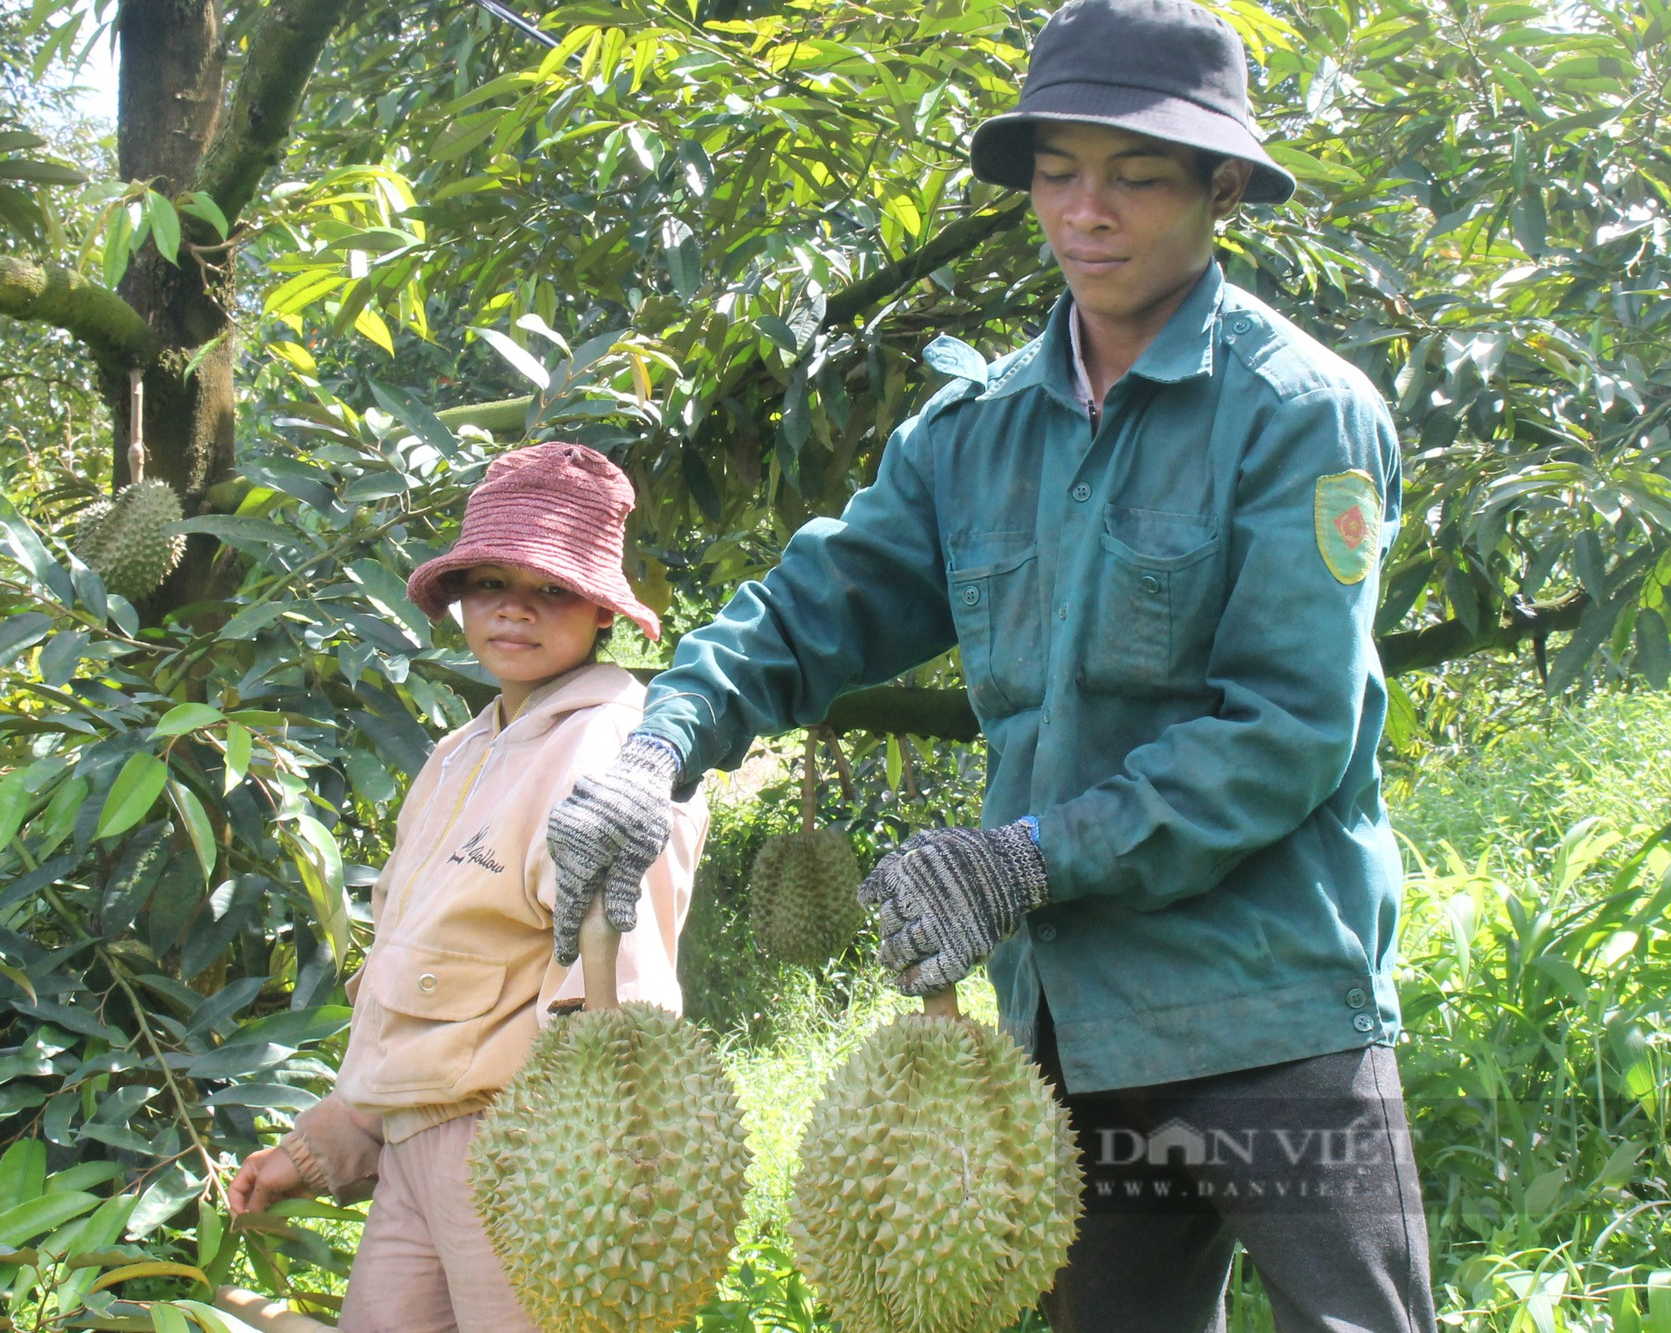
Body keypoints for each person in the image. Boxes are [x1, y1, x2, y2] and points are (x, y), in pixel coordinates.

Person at [543, 1, 1432, 1329]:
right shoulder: (975, 432)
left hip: (1270, 1011)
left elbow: (1288, 729)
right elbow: (810, 611)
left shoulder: (1302, 415)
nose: (1088, 211)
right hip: (1068, 1024)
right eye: (1059, 173)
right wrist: (658, 744)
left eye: (1135, 175)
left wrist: (1023, 857)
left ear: (1222, 186)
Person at [227, 442, 708, 1333]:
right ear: (458, 599)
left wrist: (608, 1162)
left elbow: (616, 983)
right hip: (414, 1149)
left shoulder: (617, 749)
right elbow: (415, 985)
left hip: (527, 1146)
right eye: (490, 583)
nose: (515, 609)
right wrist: (334, 1137)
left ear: (602, 608)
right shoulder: (456, 755)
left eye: (552, 588)